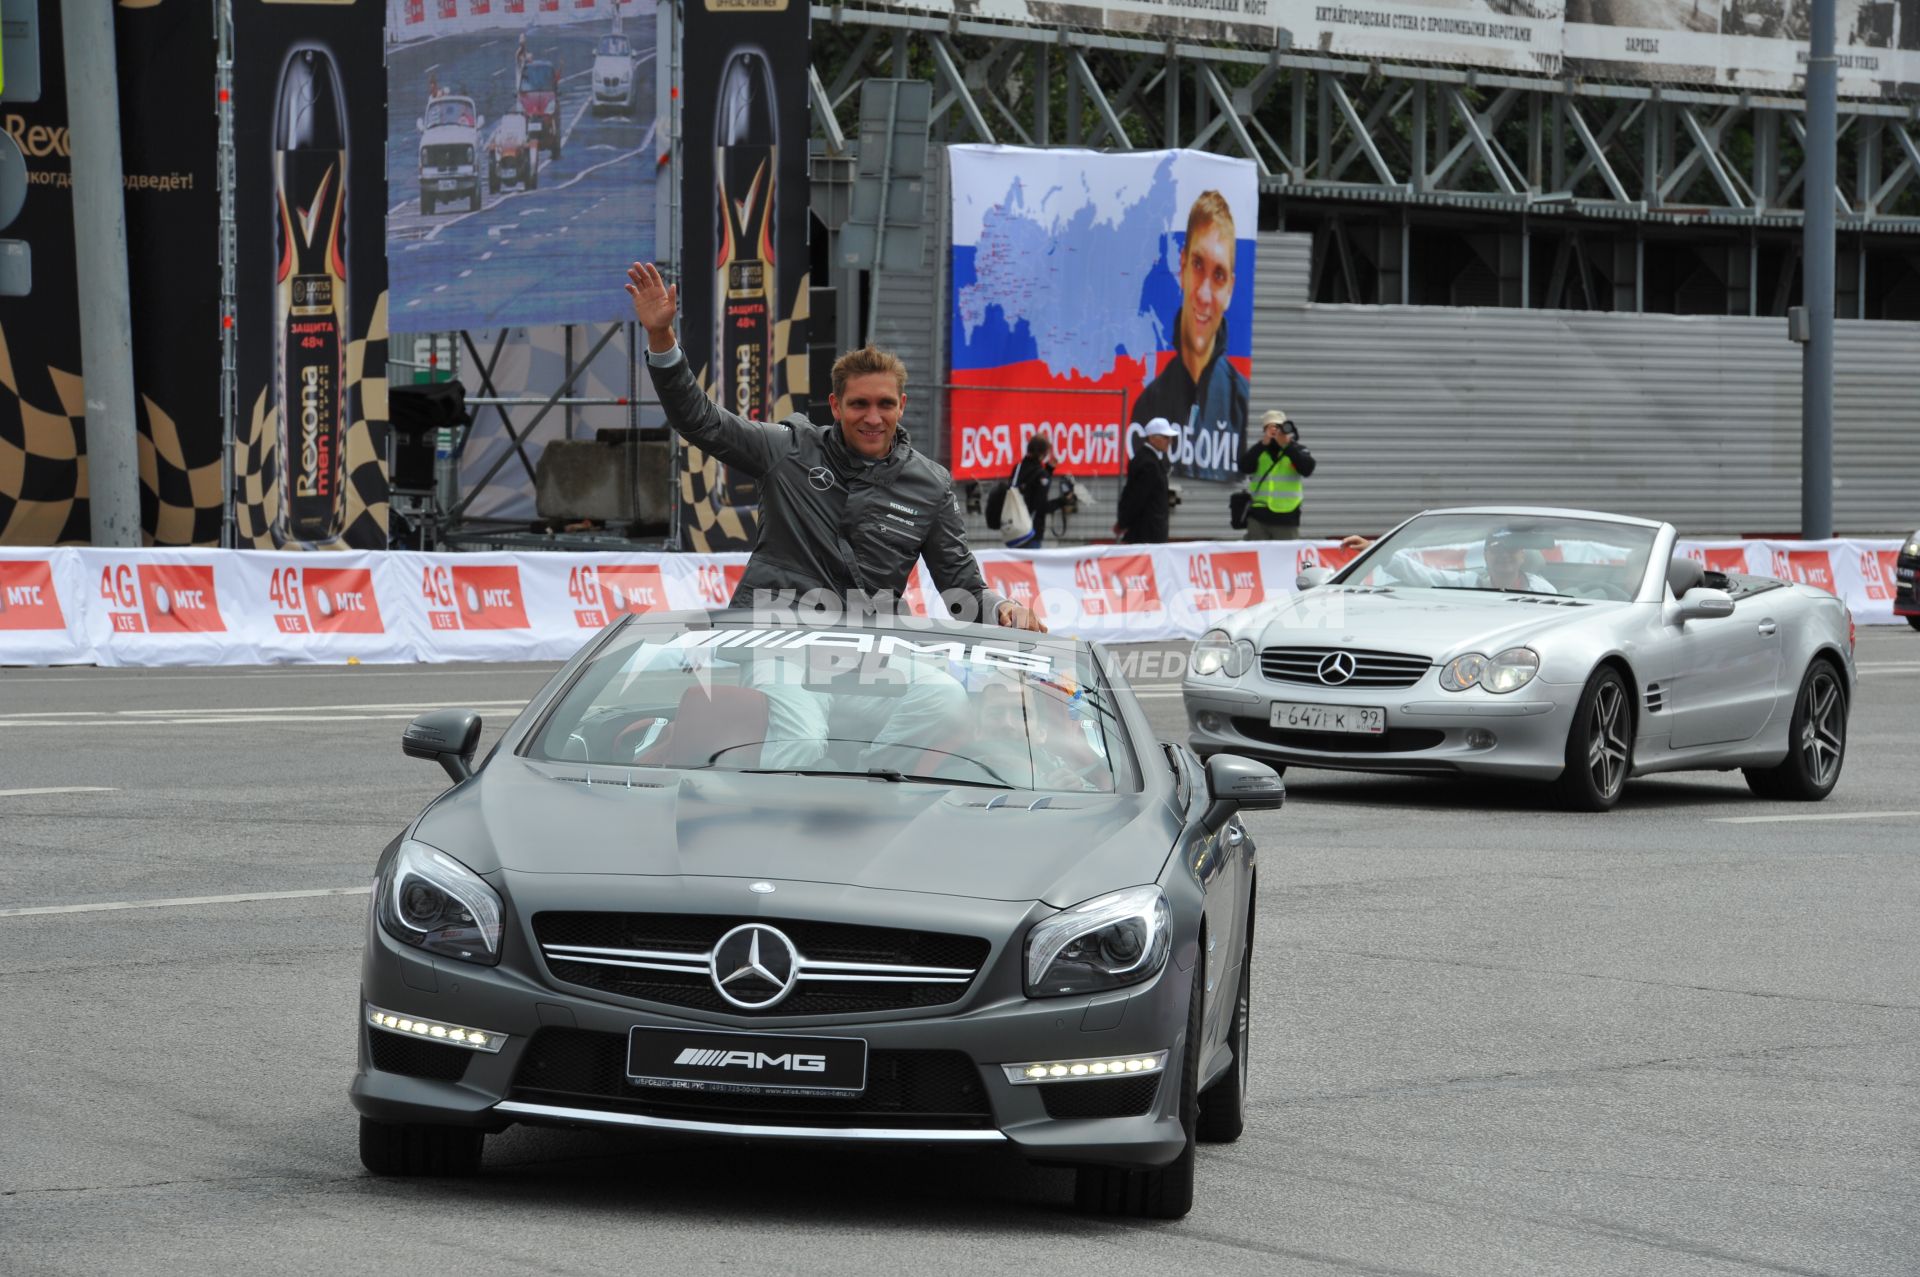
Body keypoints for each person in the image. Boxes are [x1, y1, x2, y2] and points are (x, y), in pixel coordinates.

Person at [625, 261, 1042, 630]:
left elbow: (962, 592)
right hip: (777, 642)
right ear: (835, 406)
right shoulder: (787, 449)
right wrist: (661, 338)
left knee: (944, 702)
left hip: (868, 656)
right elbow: (701, 421)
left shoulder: (931, 484)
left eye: (885, 404)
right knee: (800, 723)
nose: (873, 418)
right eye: (859, 404)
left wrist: (1004, 607)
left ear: (902, 407)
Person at [1130, 191, 1250, 454]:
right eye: (1197, 265)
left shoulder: (1241, 405)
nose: (1205, 295)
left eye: (1218, 275)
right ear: (1182, 266)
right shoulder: (1148, 404)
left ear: (1230, 289)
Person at [1385, 528, 1558, 594]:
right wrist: (1383, 553)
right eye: (1497, 549)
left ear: (1522, 556)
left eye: (1511, 549)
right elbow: (1424, 576)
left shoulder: (1544, 592)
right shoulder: (1469, 583)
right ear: (1485, 555)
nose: (1504, 555)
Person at [1240, 409, 1316, 540]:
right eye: (1271, 427)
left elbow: (1307, 469)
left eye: (1279, 427)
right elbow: (1244, 467)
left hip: (1286, 517)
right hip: (1259, 517)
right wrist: (1263, 444)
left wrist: (1286, 446)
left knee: (1286, 558)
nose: (1276, 431)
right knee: (1257, 557)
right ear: (1264, 430)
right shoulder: (1259, 450)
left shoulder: (1296, 449)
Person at [1114, 416, 1177, 545]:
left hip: (1151, 533)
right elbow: (1136, 497)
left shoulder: (1151, 460)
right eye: (1166, 437)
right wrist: (1123, 522)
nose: (1170, 441)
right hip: (1146, 535)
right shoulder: (1147, 463)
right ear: (1153, 438)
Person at [1006, 434, 1074, 549]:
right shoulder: (1041, 475)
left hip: (1013, 528)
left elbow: (1029, 486)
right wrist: (1063, 501)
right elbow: (1041, 507)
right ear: (1044, 453)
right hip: (1031, 532)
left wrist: (1048, 471)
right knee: (1028, 566)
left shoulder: (1017, 468)